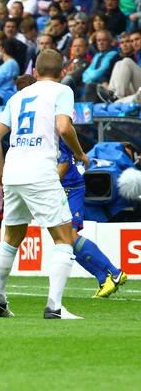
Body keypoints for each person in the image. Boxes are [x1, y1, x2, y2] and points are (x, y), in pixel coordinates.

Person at [0, 49, 90, 320]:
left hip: (14, 173)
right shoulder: (62, 90)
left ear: (35, 73)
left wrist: (0, 171)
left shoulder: (18, 96)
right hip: (41, 171)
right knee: (64, 239)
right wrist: (79, 154)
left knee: (11, 238)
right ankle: (54, 307)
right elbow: (64, 127)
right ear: (63, 73)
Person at [18, 75, 128, 298]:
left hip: (68, 186)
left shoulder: (50, 121)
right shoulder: (35, 121)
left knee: (67, 236)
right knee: (65, 239)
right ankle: (105, 277)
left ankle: (113, 273)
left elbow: (64, 161)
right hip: (57, 187)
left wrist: (47, 187)